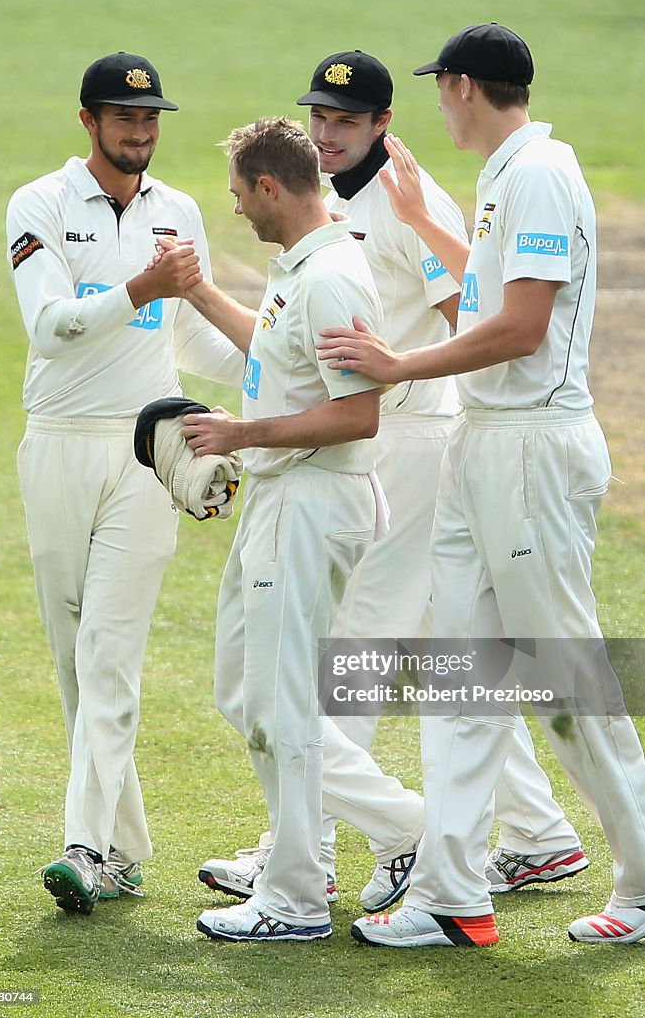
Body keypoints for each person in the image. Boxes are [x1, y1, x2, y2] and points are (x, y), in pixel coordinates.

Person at [317, 23, 645, 946]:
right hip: (485, 448)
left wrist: (397, 362)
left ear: (461, 86)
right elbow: (495, 295)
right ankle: (451, 895)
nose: (438, 105)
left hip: (532, 448)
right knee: (462, 675)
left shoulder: (537, 172)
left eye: (440, 88)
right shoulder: (504, 173)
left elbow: (521, 328)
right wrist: (422, 222)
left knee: (560, 671)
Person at [199, 50, 590, 914]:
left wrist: (407, 380)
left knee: (354, 646)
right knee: (429, 645)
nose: (327, 135)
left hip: (410, 437)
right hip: (374, 439)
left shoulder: (415, 205)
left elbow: (475, 323)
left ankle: (312, 851)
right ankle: (536, 834)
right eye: (319, 119)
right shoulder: (316, 204)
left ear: (383, 125)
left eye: (345, 121)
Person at [6, 52, 245, 915]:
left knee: (109, 653)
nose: (139, 133)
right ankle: (126, 848)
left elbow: (195, 341)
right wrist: (137, 287)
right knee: (76, 661)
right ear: (89, 121)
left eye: (149, 120)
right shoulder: (39, 205)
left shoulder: (177, 212)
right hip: (58, 446)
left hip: (148, 449)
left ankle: (83, 846)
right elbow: (52, 325)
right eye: (123, 118)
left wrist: (281, 369)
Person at [175, 116, 424, 942]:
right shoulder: (303, 267)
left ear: (271, 188)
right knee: (245, 692)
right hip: (282, 500)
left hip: (311, 501)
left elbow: (357, 415)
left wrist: (241, 436)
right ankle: (399, 828)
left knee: (280, 702)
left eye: (241, 195)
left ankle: (294, 900)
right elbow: (274, 360)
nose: (237, 209)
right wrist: (203, 293)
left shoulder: (330, 278)